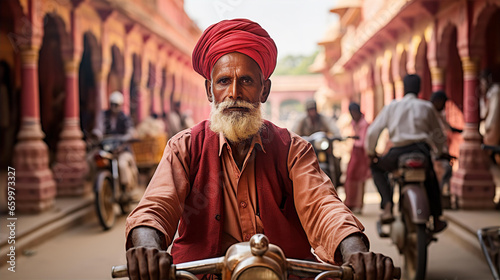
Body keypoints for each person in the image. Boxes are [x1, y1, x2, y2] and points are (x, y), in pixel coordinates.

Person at [125, 19, 396, 280]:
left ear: (264, 90)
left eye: (246, 81)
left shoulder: (293, 150)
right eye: (223, 82)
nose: (234, 93)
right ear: (210, 91)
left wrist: (355, 253)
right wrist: (147, 247)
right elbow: (156, 206)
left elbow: (323, 207)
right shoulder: (184, 147)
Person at [365, 74, 447, 233]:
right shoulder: (427, 107)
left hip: (397, 153)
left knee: (376, 168)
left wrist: (371, 153)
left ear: (403, 87)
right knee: (431, 180)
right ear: (419, 88)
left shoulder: (392, 106)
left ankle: (388, 205)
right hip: (421, 151)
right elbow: (439, 135)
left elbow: (372, 132)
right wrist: (439, 151)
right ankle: (436, 219)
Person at [92, 91, 138, 192]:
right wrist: (96, 135)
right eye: (112, 104)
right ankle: (97, 187)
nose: (114, 107)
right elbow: (99, 128)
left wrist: (129, 136)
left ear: (120, 105)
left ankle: (126, 189)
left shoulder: (125, 118)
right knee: (93, 160)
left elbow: (130, 130)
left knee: (122, 164)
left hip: (122, 150)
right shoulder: (104, 115)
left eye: (116, 105)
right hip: (107, 149)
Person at [343, 103, 370, 214]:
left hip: (362, 153)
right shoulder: (354, 122)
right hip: (355, 151)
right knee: (350, 176)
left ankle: (358, 204)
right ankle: (350, 202)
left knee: (360, 179)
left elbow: (362, 141)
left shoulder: (364, 124)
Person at [479, 69, 500, 150]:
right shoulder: (489, 95)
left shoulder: (496, 92)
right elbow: (483, 113)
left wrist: (488, 127)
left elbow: (493, 114)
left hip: (493, 127)